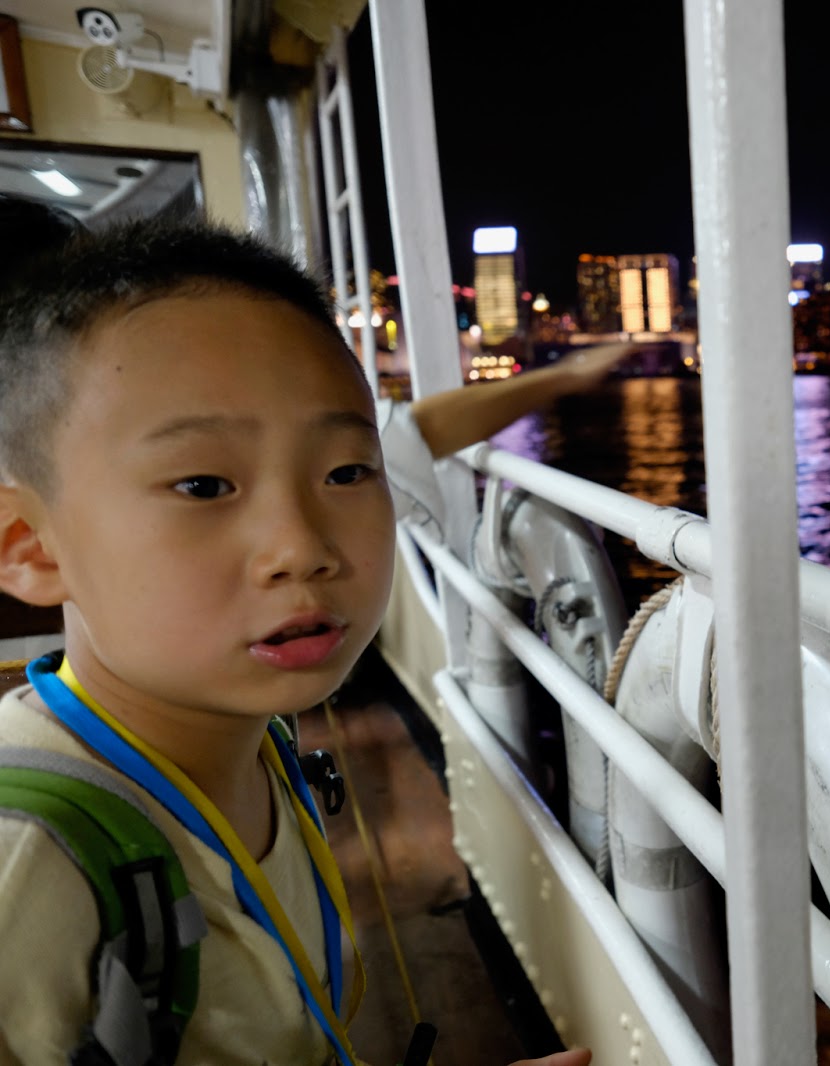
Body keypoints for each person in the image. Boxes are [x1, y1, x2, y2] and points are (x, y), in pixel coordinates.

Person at [0, 216, 598, 1066]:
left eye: (347, 472)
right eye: (203, 485)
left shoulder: (260, 746)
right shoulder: (26, 868)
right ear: (30, 547)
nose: (303, 548)